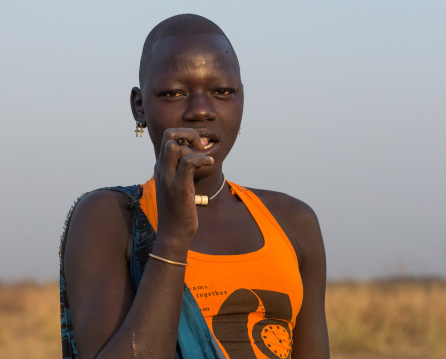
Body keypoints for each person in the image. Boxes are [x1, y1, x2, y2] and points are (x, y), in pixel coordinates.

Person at [59, 14, 329, 359]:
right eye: (174, 93)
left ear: (241, 101)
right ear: (139, 106)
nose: (201, 111)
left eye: (222, 92)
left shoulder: (293, 222)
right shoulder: (109, 218)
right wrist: (172, 237)